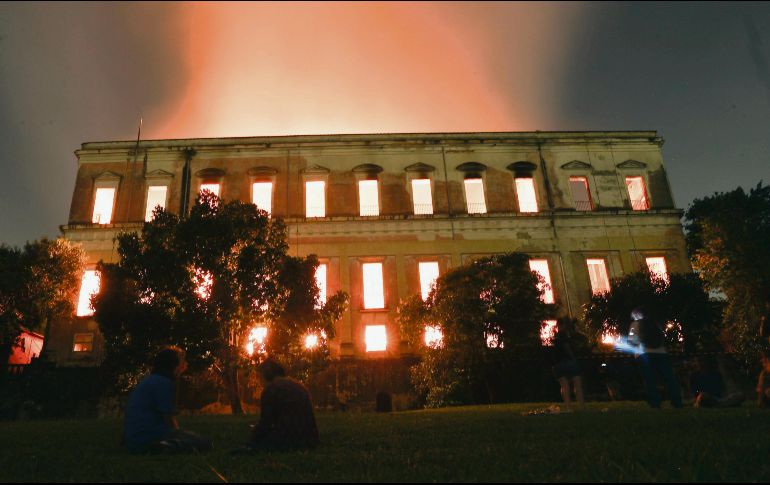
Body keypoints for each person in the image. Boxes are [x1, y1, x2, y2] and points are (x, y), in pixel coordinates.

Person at [123, 346, 212, 453]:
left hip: (134, 439)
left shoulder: (150, 380)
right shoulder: (163, 383)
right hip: (152, 435)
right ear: (173, 365)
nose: (186, 364)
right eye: (182, 361)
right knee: (203, 442)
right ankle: (165, 446)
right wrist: (178, 434)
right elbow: (168, 418)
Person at [238, 358, 319, 452]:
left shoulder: (271, 389)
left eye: (259, 376)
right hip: (309, 438)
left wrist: (254, 434)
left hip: (287, 439)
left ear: (265, 375)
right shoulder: (300, 386)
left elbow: (266, 423)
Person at [627, 307, 682, 408]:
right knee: (669, 378)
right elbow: (662, 338)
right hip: (661, 353)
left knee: (650, 379)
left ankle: (655, 402)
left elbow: (631, 340)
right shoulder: (655, 323)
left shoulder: (635, 324)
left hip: (644, 354)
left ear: (636, 315)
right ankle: (677, 401)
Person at [550, 318, 584, 405]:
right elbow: (566, 347)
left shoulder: (554, 337)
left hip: (557, 363)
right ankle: (581, 404)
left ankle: (568, 406)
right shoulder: (565, 335)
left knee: (564, 386)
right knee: (577, 383)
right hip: (568, 361)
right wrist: (573, 357)